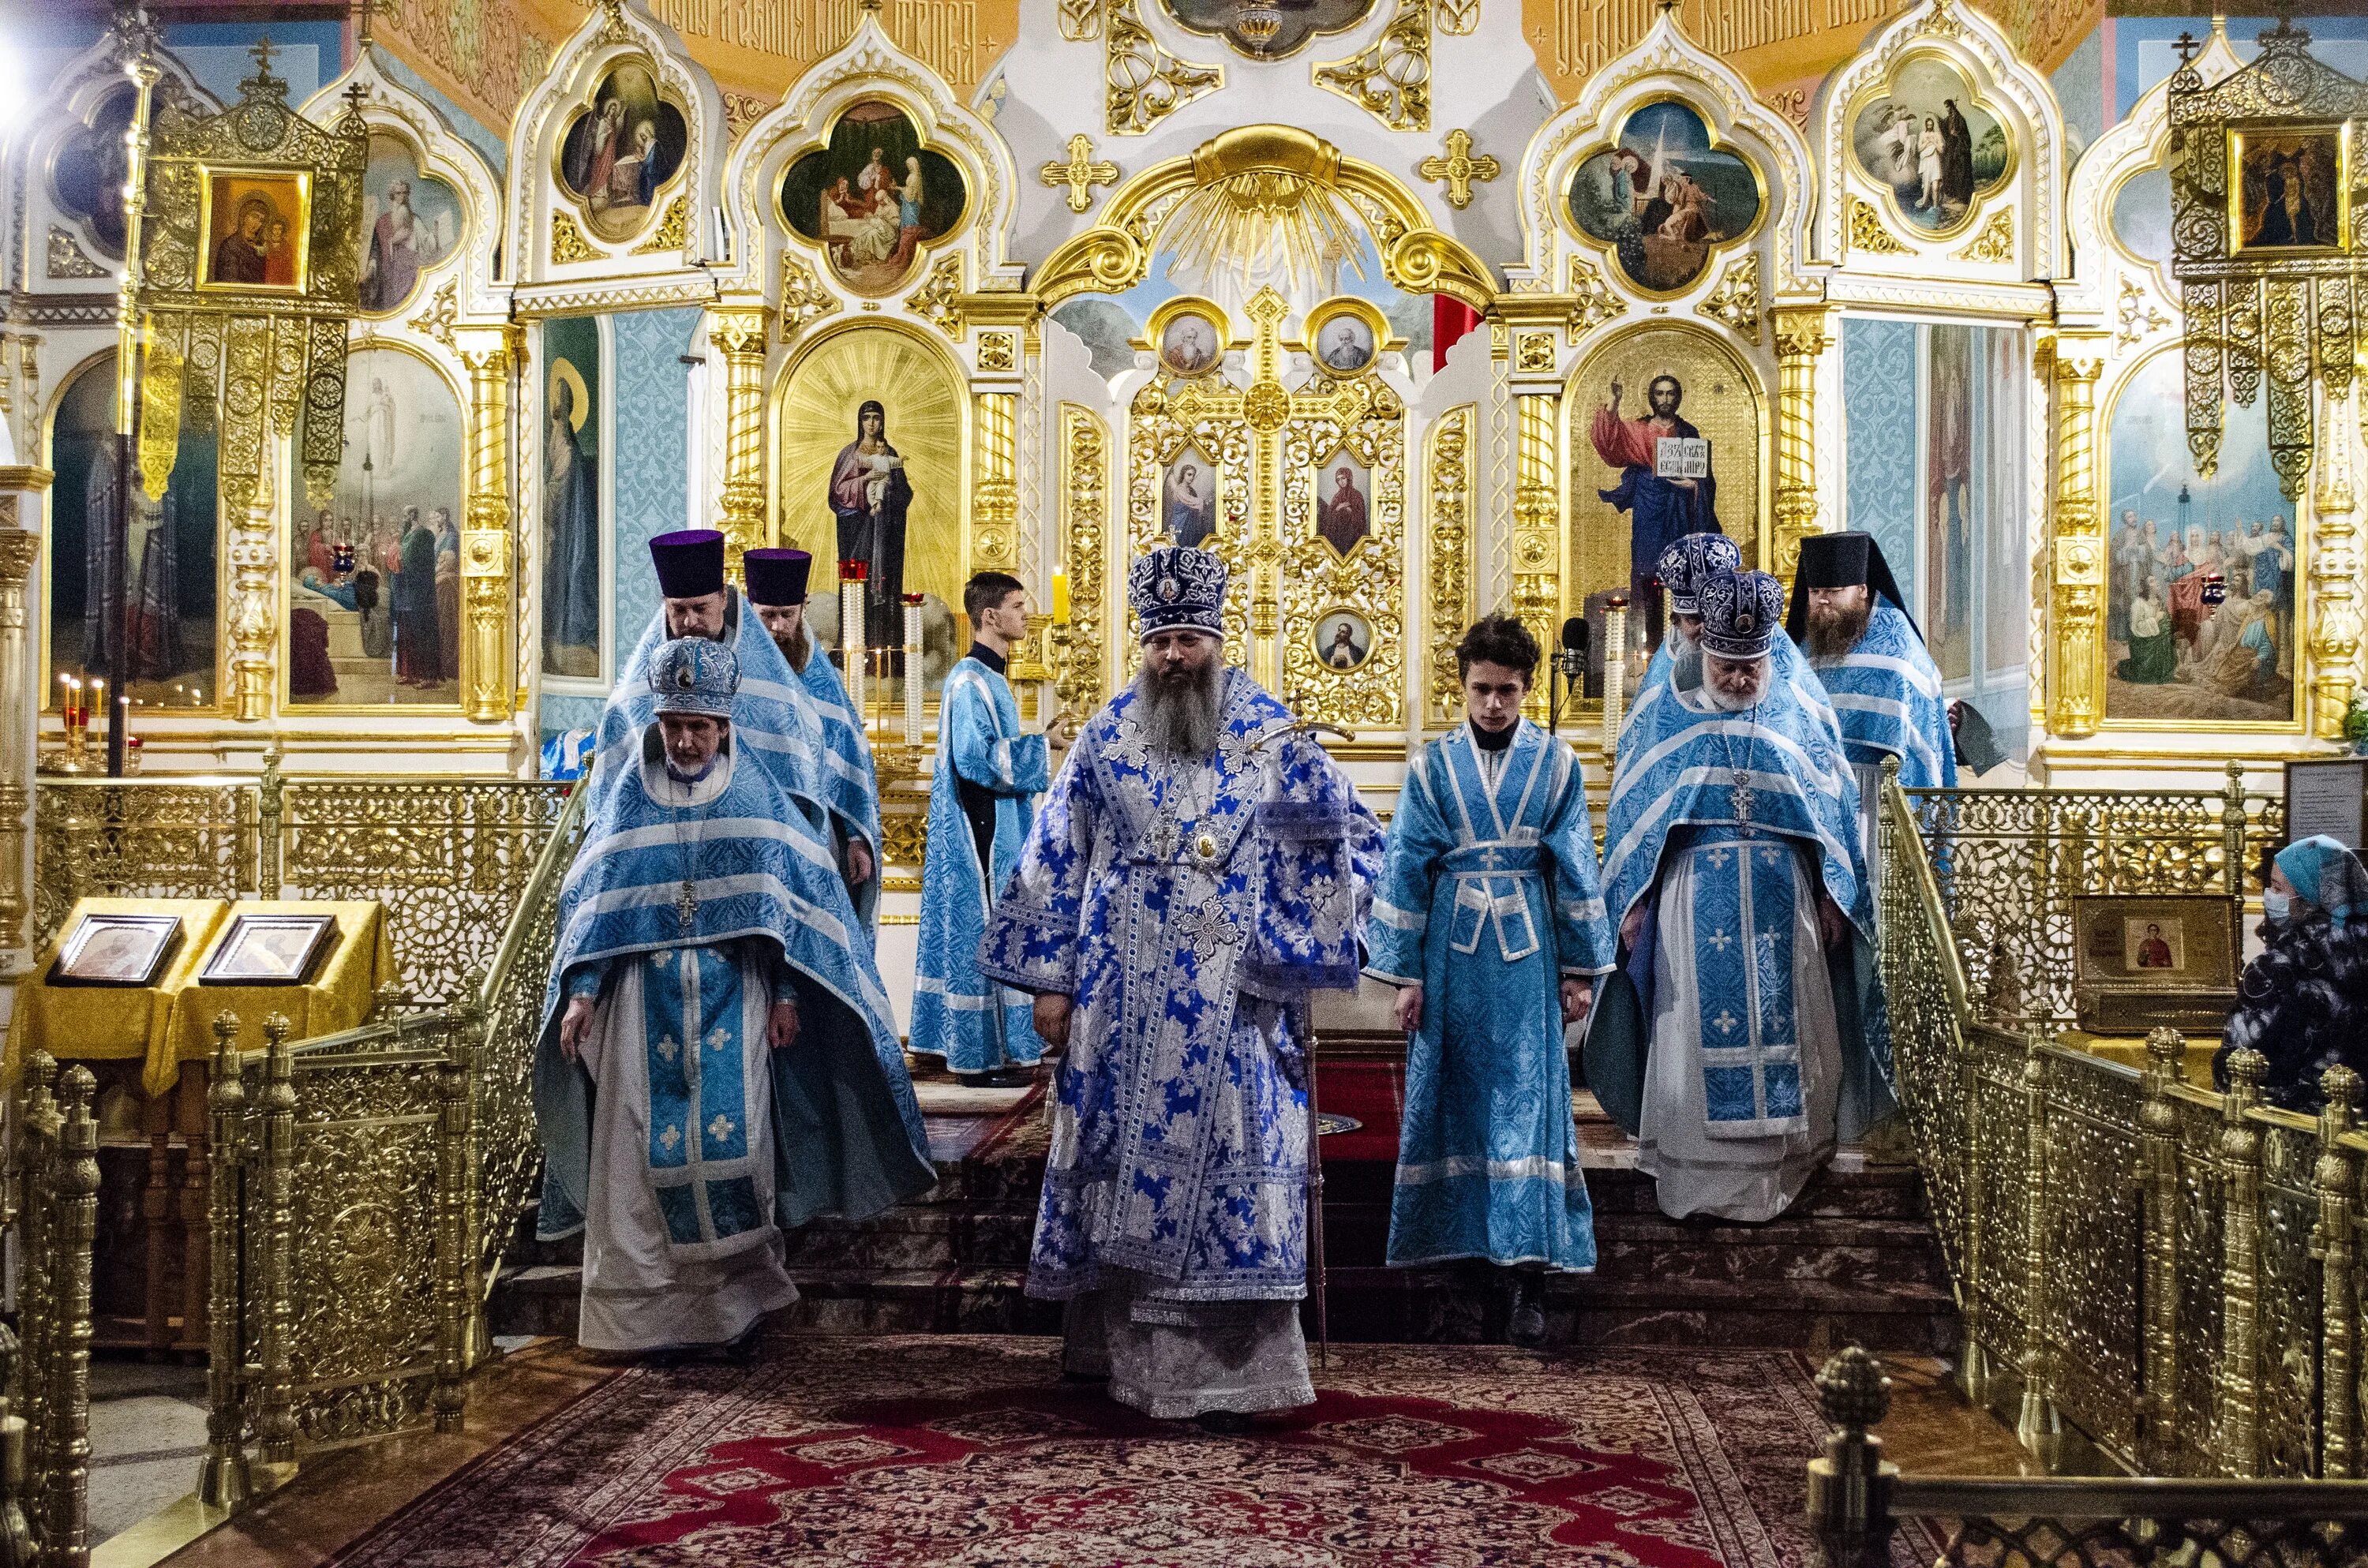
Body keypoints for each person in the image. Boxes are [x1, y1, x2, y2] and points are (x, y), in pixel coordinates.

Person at [979, 544, 1382, 1430]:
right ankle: (1116, 1360)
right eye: (1160, 638)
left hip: (1235, 1001)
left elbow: (1353, 839)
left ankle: (1234, 1372)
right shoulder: (1105, 734)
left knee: (1231, 1173)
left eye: (1189, 637)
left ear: (1217, 638)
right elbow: (1057, 853)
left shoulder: (1273, 734)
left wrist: (1293, 941)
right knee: (1118, 1166)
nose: (1172, 655)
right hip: (1119, 1001)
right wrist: (1053, 983)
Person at [535, 637, 935, 1358]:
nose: (686, 740)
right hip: (639, 1007)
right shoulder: (629, 804)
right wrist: (581, 995)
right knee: (631, 1153)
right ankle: (641, 1318)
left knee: (738, 1147)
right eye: (674, 724)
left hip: (735, 1000)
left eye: (700, 726)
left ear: (725, 726)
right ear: (660, 723)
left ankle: (730, 1311)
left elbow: (787, 913)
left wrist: (786, 995)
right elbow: (596, 911)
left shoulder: (756, 798)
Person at [1600, 569, 1888, 1222]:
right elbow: (1637, 813)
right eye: (1725, 665)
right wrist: (1635, 900)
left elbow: (1830, 807)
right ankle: (1701, 1179)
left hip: (1784, 897)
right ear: (1706, 655)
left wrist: (1832, 893)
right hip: (1691, 895)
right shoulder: (1669, 714)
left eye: (1748, 667)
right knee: (1694, 1033)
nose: (1736, 679)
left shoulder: (1796, 711)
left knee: (1791, 1025)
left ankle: (1781, 1172)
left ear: (1766, 657)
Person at [1366, 615, 1615, 1345]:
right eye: (1482, 689)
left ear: (1528, 688)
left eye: (1508, 690)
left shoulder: (1559, 765)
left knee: (1528, 1106)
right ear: (1463, 685)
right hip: (1450, 957)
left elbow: (1573, 868)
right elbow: (1407, 865)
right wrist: (1406, 977)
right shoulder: (1431, 768)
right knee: (1453, 1098)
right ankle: (1458, 1279)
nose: (1494, 704)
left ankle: (1527, 1280)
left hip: (1529, 958)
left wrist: (1578, 971)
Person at [912, 572, 1078, 1083]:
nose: (1025, 614)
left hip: (996, 825)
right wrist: (1042, 745)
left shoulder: (991, 678)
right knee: (987, 931)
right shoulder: (968, 680)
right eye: (1017, 605)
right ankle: (976, 1060)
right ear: (990, 616)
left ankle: (997, 1051)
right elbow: (974, 759)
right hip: (977, 833)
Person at [602, 530, 833, 835]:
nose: (689, 622)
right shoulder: (635, 687)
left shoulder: (771, 678)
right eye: (679, 610)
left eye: (700, 608)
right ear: (665, 606)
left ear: (724, 598)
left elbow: (801, 763)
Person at [742, 548, 881, 924]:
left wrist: (855, 836)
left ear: (803, 608)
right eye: (767, 615)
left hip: (816, 831)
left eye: (787, 615)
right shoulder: (733, 670)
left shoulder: (822, 678)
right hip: (751, 829)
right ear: (748, 608)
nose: (777, 627)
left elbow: (848, 754)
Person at [1789, 531, 1958, 792]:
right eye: (1814, 591)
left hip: (1879, 785)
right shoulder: (1807, 643)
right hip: (1818, 781)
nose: (1822, 600)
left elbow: (1921, 716)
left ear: (1862, 590)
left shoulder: (1897, 638)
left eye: (1834, 591)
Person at [2216, 837, 2368, 1110]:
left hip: (2295, 1123)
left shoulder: (2277, 967)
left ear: (2310, 895)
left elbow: (2237, 1062)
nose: (2268, 895)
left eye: (2277, 887)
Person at [1592, 374, 1719, 651]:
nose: (1665, 399)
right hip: (1649, 503)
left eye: (1670, 393)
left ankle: (1683, 641)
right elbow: (1608, 443)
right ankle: (1646, 645)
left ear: (1678, 397)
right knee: (1647, 570)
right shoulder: (1638, 429)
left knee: (1681, 569)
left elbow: (1704, 477)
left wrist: (1693, 485)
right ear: (1652, 397)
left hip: (1679, 506)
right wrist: (1615, 401)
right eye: (1659, 394)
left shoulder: (1688, 432)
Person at [829, 402, 911, 649]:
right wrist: (865, 481)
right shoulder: (850, 454)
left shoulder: (891, 453)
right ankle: (852, 648)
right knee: (857, 588)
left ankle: (887, 649)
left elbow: (904, 493)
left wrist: (889, 495)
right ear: (860, 421)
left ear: (883, 421)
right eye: (867, 418)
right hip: (856, 532)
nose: (872, 423)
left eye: (876, 417)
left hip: (885, 534)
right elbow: (837, 493)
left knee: (886, 587)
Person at [1632, 529, 1740, 714]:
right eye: (1695, 619)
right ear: (1677, 623)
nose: (1706, 628)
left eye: (1713, 617)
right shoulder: (1666, 677)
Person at [393, 508, 443, 687]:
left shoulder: (424, 535)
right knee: (410, 633)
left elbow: (423, 564)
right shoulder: (408, 535)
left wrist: (404, 565)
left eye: (405, 516)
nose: (403, 519)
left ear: (413, 516)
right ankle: (412, 673)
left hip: (422, 592)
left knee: (424, 632)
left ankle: (429, 677)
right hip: (408, 590)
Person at [2118, 578, 2176, 684]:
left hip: (2157, 637)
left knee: (2167, 634)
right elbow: (2136, 628)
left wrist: (2165, 623)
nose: (2156, 582)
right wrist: (2156, 619)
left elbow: (2166, 621)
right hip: (2142, 642)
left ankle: (2164, 670)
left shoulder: (2159, 602)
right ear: (2146, 586)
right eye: (2152, 581)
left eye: (2156, 580)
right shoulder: (2138, 603)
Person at [211, 197, 271, 284]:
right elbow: (228, 278)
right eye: (254, 216)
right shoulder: (230, 245)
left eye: (261, 220)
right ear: (244, 216)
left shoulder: (261, 247)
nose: (257, 223)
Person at [1318, 466, 1367, 555]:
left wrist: (1350, 511)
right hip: (1337, 535)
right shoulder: (1337, 496)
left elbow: (1361, 517)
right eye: (1338, 480)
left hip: (1352, 534)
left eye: (1343, 478)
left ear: (1349, 478)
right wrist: (1338, 508)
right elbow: (1328, 515)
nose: (1341, 482)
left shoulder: (1357, 495)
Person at [1164, 461, 1214, 547]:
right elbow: (1190, 501)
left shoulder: (1191, 490)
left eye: (1193, 475)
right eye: (1189, 474)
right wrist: (1202, 501)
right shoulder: (1179, 489)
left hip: (1192, 523)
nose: (1192, 477)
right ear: (1183, 474)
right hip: (1181, 522)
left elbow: (1195, 504)